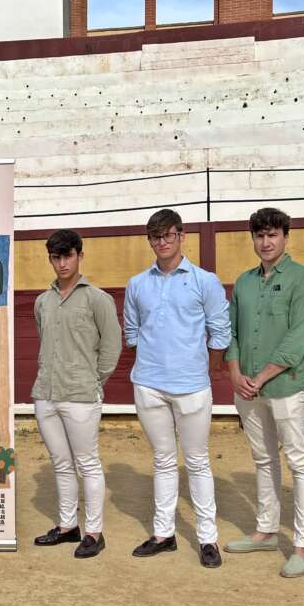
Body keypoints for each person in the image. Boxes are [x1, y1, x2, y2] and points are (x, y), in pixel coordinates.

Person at [124, 209, 231, 568]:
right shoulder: (137, 284)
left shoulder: (205, 281)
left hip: (192, 385)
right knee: (163, 459)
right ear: (150, 241)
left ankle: (207, 538)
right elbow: (132, 332)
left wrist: (205, 368)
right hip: (149, 384)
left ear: (182, 236)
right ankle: (163, 533)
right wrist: (154, 364)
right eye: (156, 237)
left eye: (168, 235)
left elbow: (220, 330)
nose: (162, 242)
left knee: (198, 461)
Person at [224, 208, 304, 577]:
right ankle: (266, 530)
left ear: (285, 237)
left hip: (283, 385)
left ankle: (303, 545)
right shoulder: (244, 282)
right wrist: (235, 373)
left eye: (272, 235)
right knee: (263, 458)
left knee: (299, 460)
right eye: (260, 235)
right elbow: (231, 332)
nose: (266, 242)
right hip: (247, 387)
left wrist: (260, 376)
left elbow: (299, 337)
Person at [30, 229, 122, 559]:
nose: (62, 263)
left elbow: (112, 347)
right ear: (50, 260)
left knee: (88, 463)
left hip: (81, 394)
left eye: (68, 256)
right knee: (61, 463)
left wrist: (93, 381)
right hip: (46, 392)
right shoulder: (43, 301)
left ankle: (94, 532)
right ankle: (68, 525)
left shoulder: (98, 299)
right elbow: (44, 341)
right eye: (56, 257)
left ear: (80, 256)